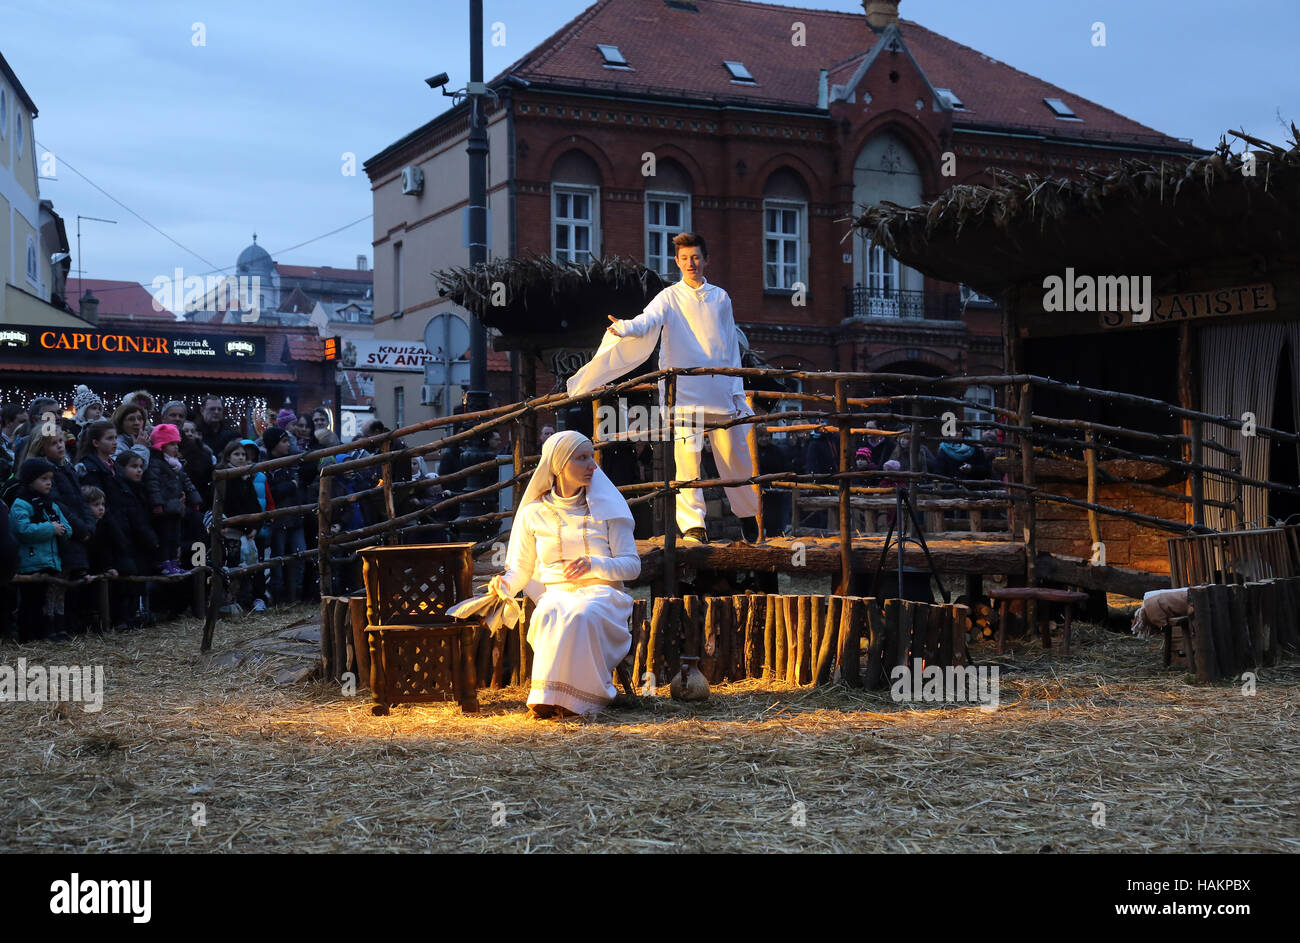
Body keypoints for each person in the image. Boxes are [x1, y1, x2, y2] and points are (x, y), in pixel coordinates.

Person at [569, 231, 760, 543]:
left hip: (721, 390)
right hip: (685, 394)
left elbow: (731, 346)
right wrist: (624, 327)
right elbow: (647, 320)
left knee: (735, 458)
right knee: (687, 459)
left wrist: (736, 388)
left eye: (696, 257)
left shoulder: (721, 298)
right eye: (684, 258)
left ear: (705, 259)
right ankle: (693, 526)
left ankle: (747, 515)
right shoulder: (670, 297)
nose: (691, 263)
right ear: (677, 261)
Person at [488, 431, 640, 719]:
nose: (592, 465)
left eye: (592, 457)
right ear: (558, 465)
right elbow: (520, 568)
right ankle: (548, 698)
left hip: (603, 595)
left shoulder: (608, 509)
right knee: (551, 613)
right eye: (582, 458)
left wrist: (595, 564)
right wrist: (504, 583)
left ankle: (583, 701)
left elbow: (632, 566)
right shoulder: (533, 513)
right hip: (556, 594)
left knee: (582, 614)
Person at [9, 458, 72, 641]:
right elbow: (23, 530)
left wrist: (62, 530)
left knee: (43, 602)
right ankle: (26, 637)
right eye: (43, 478)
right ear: (30, 480)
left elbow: (66, 527)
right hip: (31, 561)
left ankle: (41, 634)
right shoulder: (21, 504)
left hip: (50, 560)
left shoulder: (51, 504)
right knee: (29, 601)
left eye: (50, 478)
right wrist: (51, 529)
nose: (48, 482)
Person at [145, 424, 201, 575]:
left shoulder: (176, 466)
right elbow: (153, 484)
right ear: (161, 445)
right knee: (164, 537)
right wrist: (157, 503)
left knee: (174, 538)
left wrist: (194, 500)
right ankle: (164, 562)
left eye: (177, 444)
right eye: (171, 444)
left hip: (176, 508)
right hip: (164, 509)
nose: (176, 447)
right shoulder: (156, 464)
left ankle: (173, 562)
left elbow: (187, 483)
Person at [263, 427, 306, 605]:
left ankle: (296, 594)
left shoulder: (292, 462)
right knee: (278, 557)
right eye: (284, 441)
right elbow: (270, 492)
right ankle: (277, 596)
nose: (288, 444)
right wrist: (291, 485)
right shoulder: (266, 466)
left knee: (300, 553)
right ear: (274, 445)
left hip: (295, 516)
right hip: (278, 519)